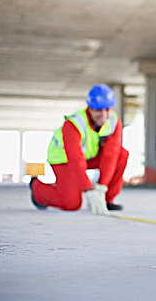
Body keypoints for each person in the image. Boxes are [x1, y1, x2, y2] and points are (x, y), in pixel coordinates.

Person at [29, 84, 129, 215]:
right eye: (99, 110)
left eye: (107, 109)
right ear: (90, 108)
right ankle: (37, 188)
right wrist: (88, 189)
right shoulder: (74, 124)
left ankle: (106, 200)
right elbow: (75, 159)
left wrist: (101, 187)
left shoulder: (113, 121)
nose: (104, 115)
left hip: (88, 157)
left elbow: (111, 154)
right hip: (63, 159)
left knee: (122, 154)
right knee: (71, 203)